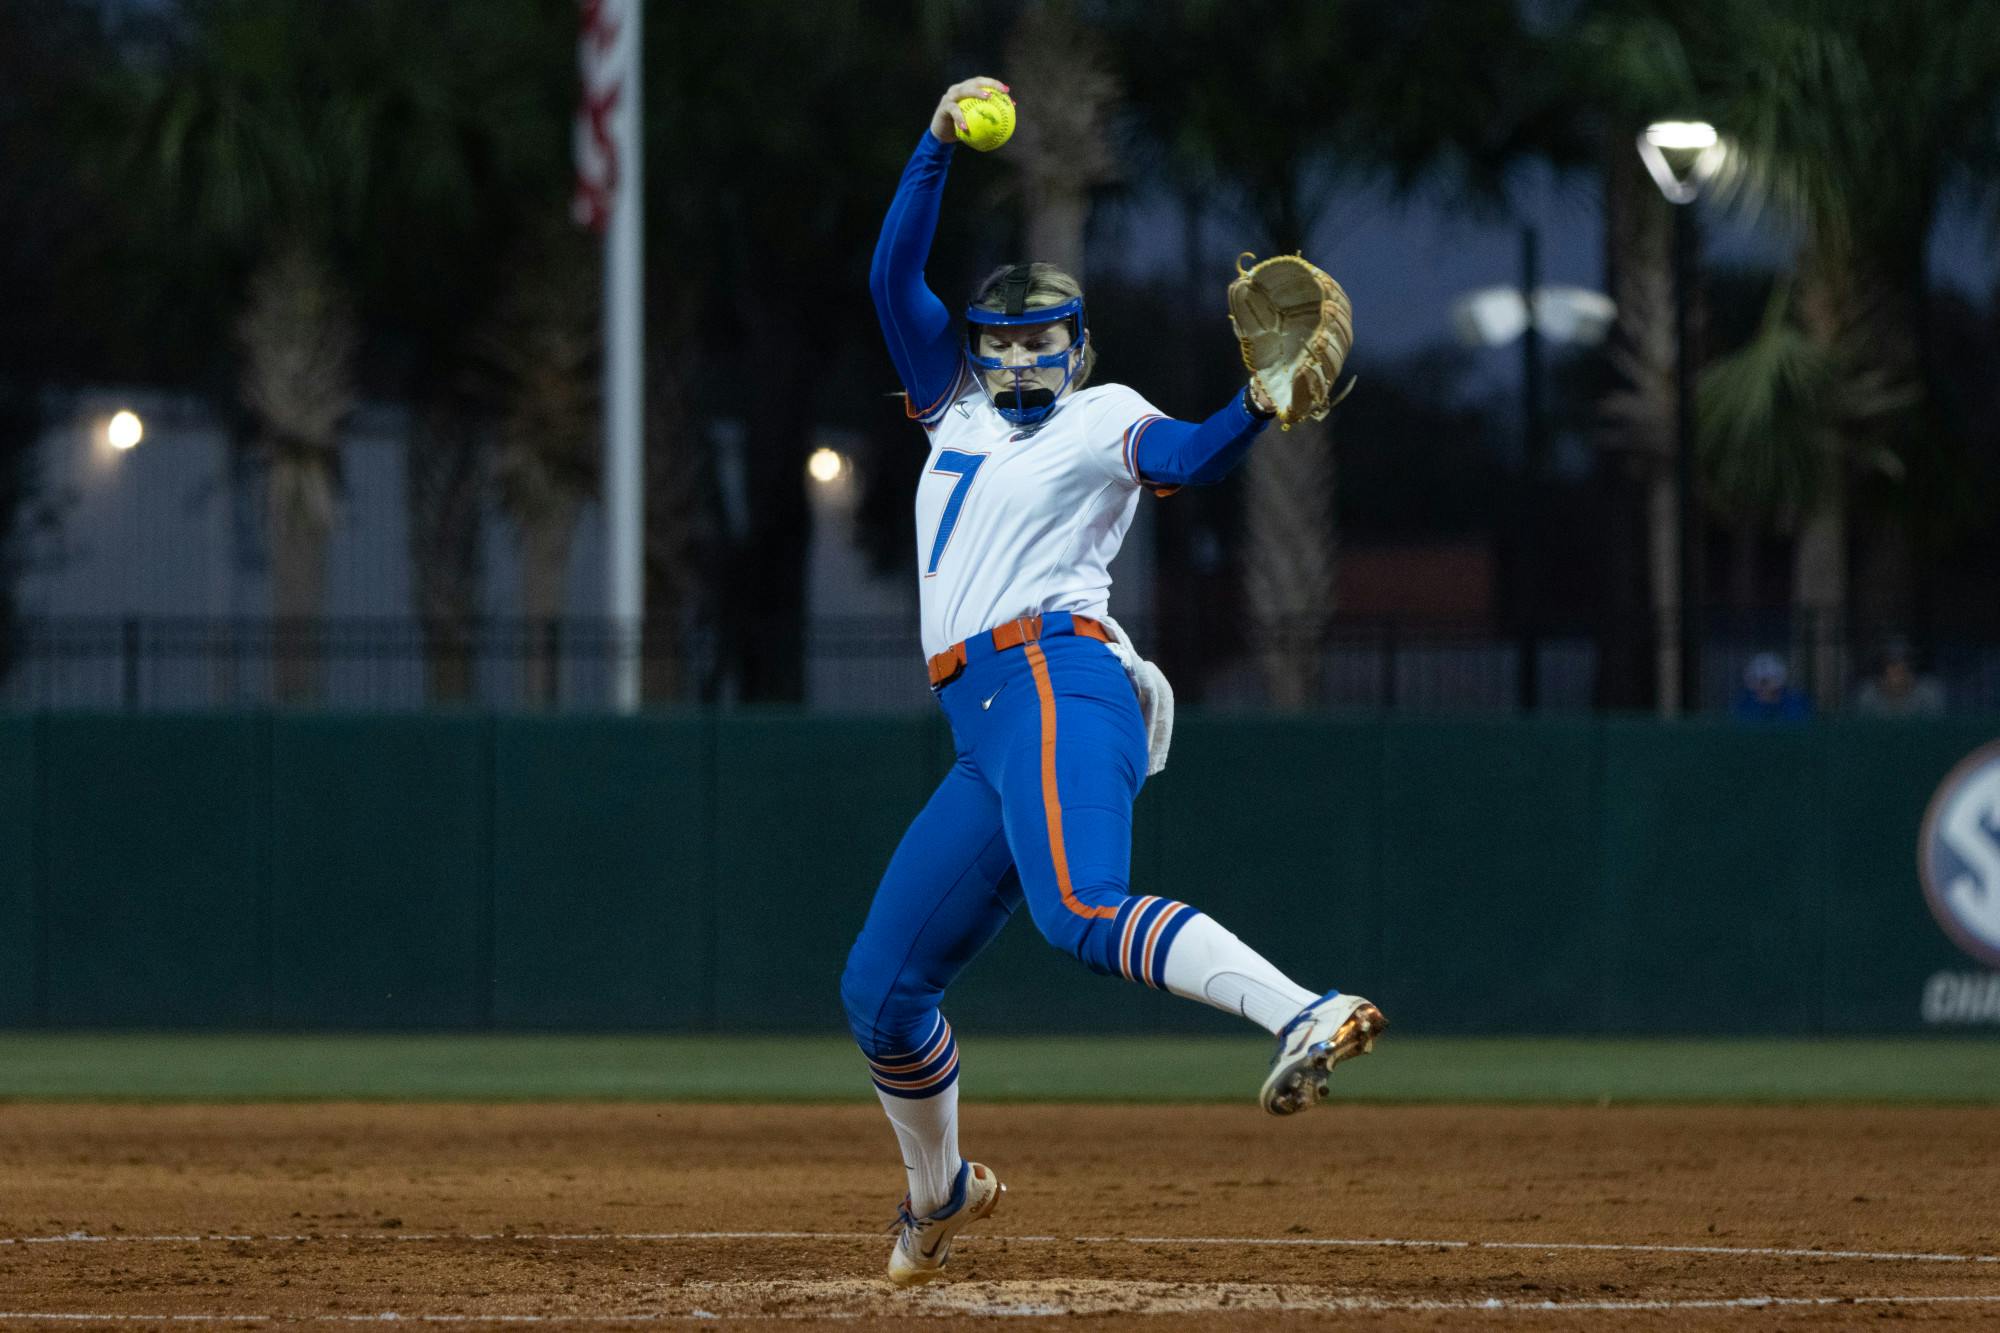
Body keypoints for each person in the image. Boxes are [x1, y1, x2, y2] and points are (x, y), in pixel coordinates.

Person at [841, 76, 1385, 1288]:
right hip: (982, 725)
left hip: (1052, 678)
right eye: (1001, 342)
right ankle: (937, 1193)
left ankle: (1304, 1007)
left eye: (1042, 339)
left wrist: (1254, 401)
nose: (1021, 355)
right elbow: (891, 281)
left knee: (1081, 912)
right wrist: (933, 139)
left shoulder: (1102, 417)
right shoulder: (953, 418)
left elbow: (1183, 458)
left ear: (1076, 349)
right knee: (879, 992)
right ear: (974, 358)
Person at [1853, 636, 1945, 717]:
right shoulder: (1868, 694)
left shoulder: (1928, 692)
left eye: (1903, 666)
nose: (1897, 672)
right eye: (1891, 665)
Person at [1731, 651, 1812, 722]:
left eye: (1765, 681)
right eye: (1755, 679)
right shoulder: (1744, 705)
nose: (1762, 686)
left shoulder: (1795, 704)